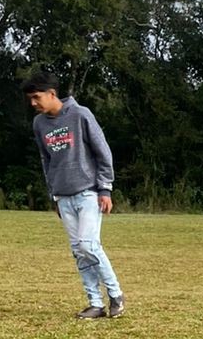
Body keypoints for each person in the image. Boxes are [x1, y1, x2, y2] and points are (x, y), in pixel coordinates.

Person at [22, 71, 125, 319]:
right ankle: (95, 303)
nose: (33, 103)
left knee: (89, 244)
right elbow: (45, 160)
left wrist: (105, 189)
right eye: (30, 99)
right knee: (78, 250)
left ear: (52, 93)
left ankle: (116, 295)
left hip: (88, 192)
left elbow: (103, 152)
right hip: (62, 196)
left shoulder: (80, 114)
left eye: (36, 97)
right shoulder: (39, 124)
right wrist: (53, 195)